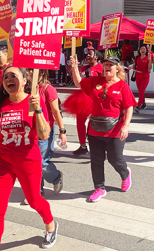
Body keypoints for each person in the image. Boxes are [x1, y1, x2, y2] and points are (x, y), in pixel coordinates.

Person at [0, 66, 58, 250]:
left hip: (28, 162)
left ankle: (51, 224)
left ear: (25, 80)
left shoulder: (34, 101)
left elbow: (44, 135)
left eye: (14, 76)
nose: (9, 79)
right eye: (6, 77)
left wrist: (39, 109)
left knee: (34, 201)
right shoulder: (0, 104)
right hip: (3, 163)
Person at [69, 55, 137, 202]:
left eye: (110, 65)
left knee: (115, 159)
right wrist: (74, 66)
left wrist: (125, 126)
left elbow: (129, 107)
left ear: (117, 69)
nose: (106, 67)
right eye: (105, 64)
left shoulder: (122, 86)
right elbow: (78, 83)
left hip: (115, 130)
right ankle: (99, 188)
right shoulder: (95, 81)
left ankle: (125, 174)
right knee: (96, 160)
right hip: (95, 129)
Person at [27, 69, 65, 198]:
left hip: (45, 130)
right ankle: (38, 191)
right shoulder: (24, 88)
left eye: (33, 70)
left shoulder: (49, 89)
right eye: (28, 70)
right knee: (32, 162)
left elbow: (56, 112)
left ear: (41, 73)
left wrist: (62, 131)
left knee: (40, 162)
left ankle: (55, 176)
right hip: (29, 131)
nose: (30, 72)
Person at [62, 48, 103, 155]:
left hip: (95, 98)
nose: (87, 56)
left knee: (93, 123)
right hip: (83, 97)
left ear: (96, 56)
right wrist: (74, 66)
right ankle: (82, 145)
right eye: (87, 54)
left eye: (90, 54)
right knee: (80, 122)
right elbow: (78, 81)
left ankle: (96, 145)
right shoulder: (85, 68)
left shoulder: (101, 68)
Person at [132, 44, 152, 112]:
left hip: (145, 77)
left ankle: (139, 105)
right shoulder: (136, 58)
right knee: (141, 92)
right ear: (139, 50)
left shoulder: (148, 58)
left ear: (146, 50)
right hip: (138, 77)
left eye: (144, 49)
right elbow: (134, 66)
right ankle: (144, 104)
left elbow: (149, 68)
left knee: (141, 91)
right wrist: (129, 67)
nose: (143, 50)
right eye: (141, 49)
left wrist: (149, 61)